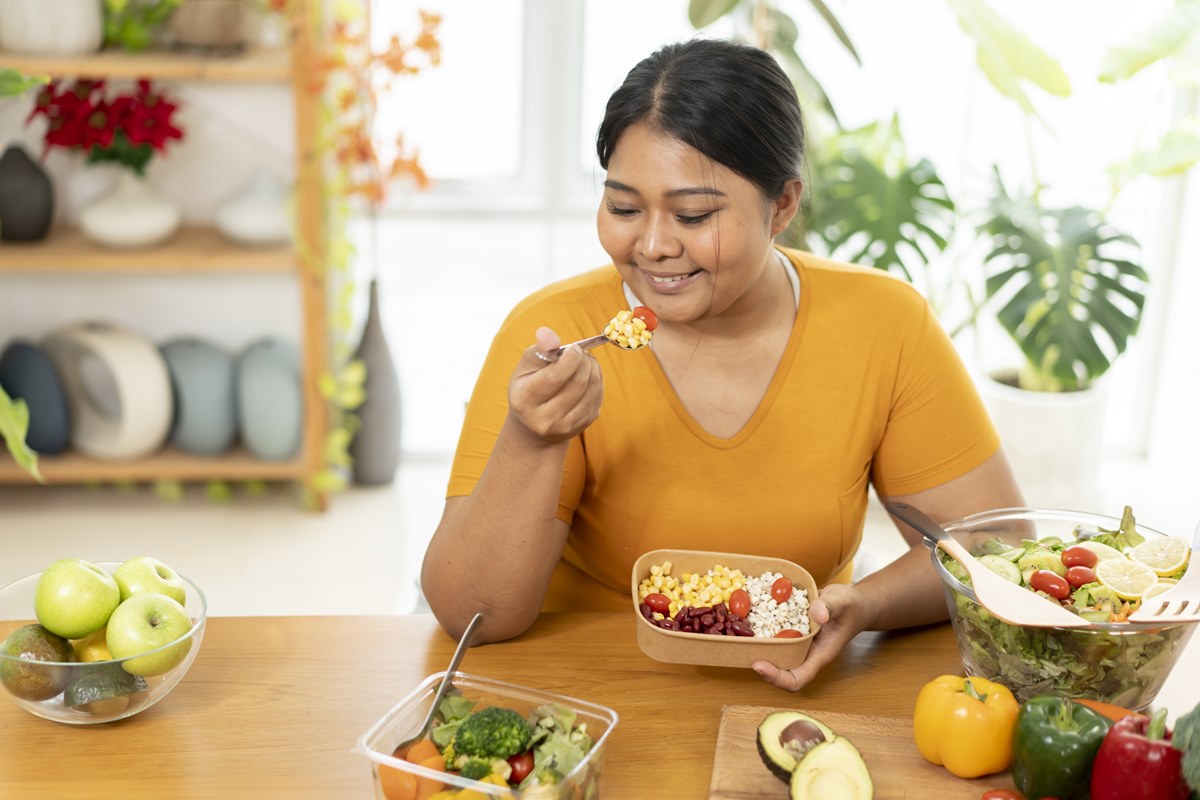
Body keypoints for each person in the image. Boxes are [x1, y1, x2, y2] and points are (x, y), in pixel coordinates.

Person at [421, 37, 1024, 691]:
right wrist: (532, 437)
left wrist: (868, 605)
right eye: (624, 207)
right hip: (586, 692)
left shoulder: (884, 324)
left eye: (693, 214)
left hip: (798, 690)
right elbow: (471, 614)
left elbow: (993, 550)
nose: (652, 245)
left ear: (783, 206)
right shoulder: (555, 335)